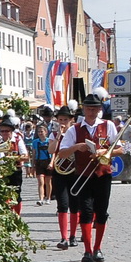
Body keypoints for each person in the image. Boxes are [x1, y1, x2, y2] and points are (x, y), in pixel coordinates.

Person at [58, 94, 120, 262]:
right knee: (85, 212)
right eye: (88, 109)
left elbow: (120, 149)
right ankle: (87, 250)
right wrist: (77, 147)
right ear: (83, 109)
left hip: (103, 175)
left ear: (100, 109)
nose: (91, 112)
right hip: (83, 175)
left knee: (101, 212)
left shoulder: (108, 126)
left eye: (95, 109)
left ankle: (98, 248)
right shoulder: (74, 129)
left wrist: (105, 152)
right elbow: (61, 153)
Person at [48, 105, 77, 249]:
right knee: (62, 205)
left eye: (65, 120)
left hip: (74, 172)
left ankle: (73, 235)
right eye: (60, 120)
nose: (63, 123)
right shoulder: (54, 135)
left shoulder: (76, 133)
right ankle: (64, 237)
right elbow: (51, 150)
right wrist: (58, 136)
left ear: (71, 120)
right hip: (59, 173)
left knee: (75, 205)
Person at [0, 115, 27, 215]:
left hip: (15, 170)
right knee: (4, 194)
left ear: (11, 131)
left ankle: (17, 215)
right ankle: (7, 214)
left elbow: (25, 156)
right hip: (2, 172)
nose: (4, 133)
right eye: (2, 131)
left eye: (7, 131)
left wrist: (12, 158)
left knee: (16, 194)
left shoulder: (17, 140)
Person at [28, 120, 54, 206]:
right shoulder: (35, 142)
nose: (40, 133)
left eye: (41, 131)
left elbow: (53, 153)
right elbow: (34, 154)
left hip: (48, 162)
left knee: (48, 182)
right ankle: (41, 199)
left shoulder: (49, 141)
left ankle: (48, 198)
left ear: (46, 132)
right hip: (39, 162)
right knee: (40, 182)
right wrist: (32, 166)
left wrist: (51, 163)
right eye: (38, 132)